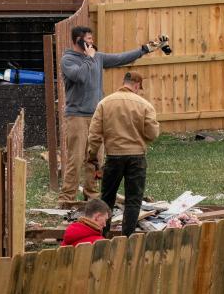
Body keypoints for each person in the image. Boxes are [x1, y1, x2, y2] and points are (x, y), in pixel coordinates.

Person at [58, 25, 157, 206]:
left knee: (95, 158)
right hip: (77, 117)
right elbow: (79, 76)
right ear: (77, 40)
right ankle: (67, 198)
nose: (91, 42)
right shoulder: (68, 60)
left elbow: (120, 58)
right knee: (76, 158)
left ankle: (92, 193)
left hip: (96, 115)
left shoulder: (98, 58)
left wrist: (143, 50)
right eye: (88, 39)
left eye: (91, 38)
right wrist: (89, 59)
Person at [87, 71, 160, 237]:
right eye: (139, 88)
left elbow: (94, 134)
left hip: (113, 156)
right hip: (137, 158)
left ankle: (102, 234)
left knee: (107, 197)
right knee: (133, 199)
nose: (139, 91)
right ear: (136, 85)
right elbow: (152, 134)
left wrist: (92, 155)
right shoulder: (144, 105)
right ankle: (128, 237)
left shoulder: (105, 103)